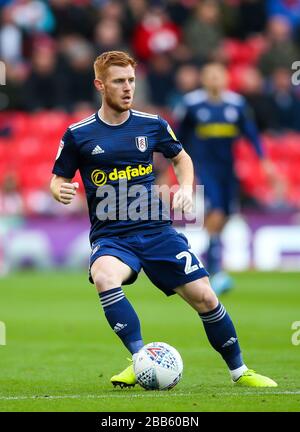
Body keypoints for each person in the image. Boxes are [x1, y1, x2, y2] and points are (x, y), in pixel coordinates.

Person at [50, 51, 277, 389]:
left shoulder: (152, 124)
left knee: (205, 297)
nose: (128, 88)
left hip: (156, 231)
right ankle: (140, 358)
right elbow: (58, 178)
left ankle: (240, 371)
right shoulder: (78, 134)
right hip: (113, 236)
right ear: (100, 85)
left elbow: (182, 158)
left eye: (131, 81)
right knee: (103, 275)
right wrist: (59, 190)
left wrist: (185, 188)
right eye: (119, 82)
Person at [176, 62, 277, 295]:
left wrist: (264, 161)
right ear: (203, 79)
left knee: (228, 215)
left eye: (218, 76)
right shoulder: (192, 104)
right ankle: (213, 268)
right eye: (210, 76)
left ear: (225, 79)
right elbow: (179, 137)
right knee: (218, 212)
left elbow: (251, 134)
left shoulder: (236, 104)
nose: (214, 80)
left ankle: (208, 256)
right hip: (203, 167)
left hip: (227, 169)